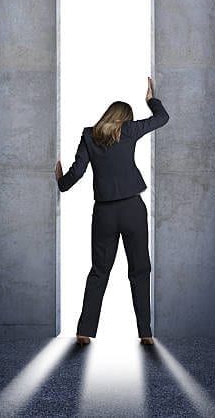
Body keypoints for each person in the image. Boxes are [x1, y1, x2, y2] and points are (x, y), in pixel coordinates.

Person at [55, 76, 170, 347]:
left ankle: (84, 331)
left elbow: (77, 172)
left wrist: (61, 182)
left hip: (104, 213)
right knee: (140, 270)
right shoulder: (129, 131)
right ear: (125, 118)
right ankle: (146, 333)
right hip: (133, 208)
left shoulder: (89, 135)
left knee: (99, 270)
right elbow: (162, 118)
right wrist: (151, 100)